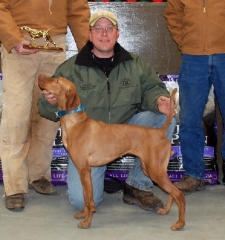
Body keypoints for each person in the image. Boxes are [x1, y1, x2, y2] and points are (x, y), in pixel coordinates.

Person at [38, 10, 176, 211]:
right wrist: (51, 102)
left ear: (118, 33)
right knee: (79, 201)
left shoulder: (135, 63)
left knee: (164, 118)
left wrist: (159, 100)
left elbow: (152, 88)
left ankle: (137, 184)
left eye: (109, 28)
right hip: (91, 139)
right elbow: (44, 109)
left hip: (126, 129)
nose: (104, 34)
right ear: (90, 34)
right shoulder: (70, 68)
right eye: (98, 29)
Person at [0, 0, 90, 210]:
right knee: (17, 115)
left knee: (48, 113)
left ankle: (38, 174)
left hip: (55, 42)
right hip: (19, 39)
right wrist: (12, 38)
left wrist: (86, 50)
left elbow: (77, 9)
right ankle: (15, 186)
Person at [164, 1, 225, 194]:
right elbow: (172, 15)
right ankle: (194, 175)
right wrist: (187, 43)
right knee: (189, 119)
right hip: (192, 59)